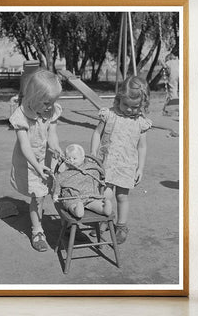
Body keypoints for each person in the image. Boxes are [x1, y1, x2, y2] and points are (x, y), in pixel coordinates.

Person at [90, 76, 152, 244]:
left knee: (122, 197)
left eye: (135, 107)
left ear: (142, 105)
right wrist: (93, 153)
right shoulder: (108, 115)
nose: (130, 110)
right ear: (119, 99)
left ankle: (122, 225)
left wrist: (140, 168)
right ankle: (105, 218)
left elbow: (142, 147)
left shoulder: (141, 123)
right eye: (126, 105)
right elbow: (97, 133)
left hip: (127, 166)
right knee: (104, 195)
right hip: (106, 163)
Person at [9, 69, 63, 252]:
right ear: (33, 97)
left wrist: (56, 148)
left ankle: (52, 218)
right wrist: (37, 166)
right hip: (29, 161)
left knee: (48, 190)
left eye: (53, 102)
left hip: (45, 157)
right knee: (38, 196)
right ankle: (37, 230)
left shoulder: (51, 111)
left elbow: (52, 135)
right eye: (47, 102)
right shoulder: (21, 115)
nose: (51, 107)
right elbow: (24, 146)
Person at [52, 144, 112, 218]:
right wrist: (56, 194)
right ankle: (77, 210)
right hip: (73, 199)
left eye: (74, 158)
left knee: (96, 203)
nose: (71, 161)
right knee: (71, 206)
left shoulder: (89, 168)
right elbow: (58, 182)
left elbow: (100, 171)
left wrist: (101, 175)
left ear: (82, 158)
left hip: (90, 197)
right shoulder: (64, 173)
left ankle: (104, 209)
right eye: (68, 158)